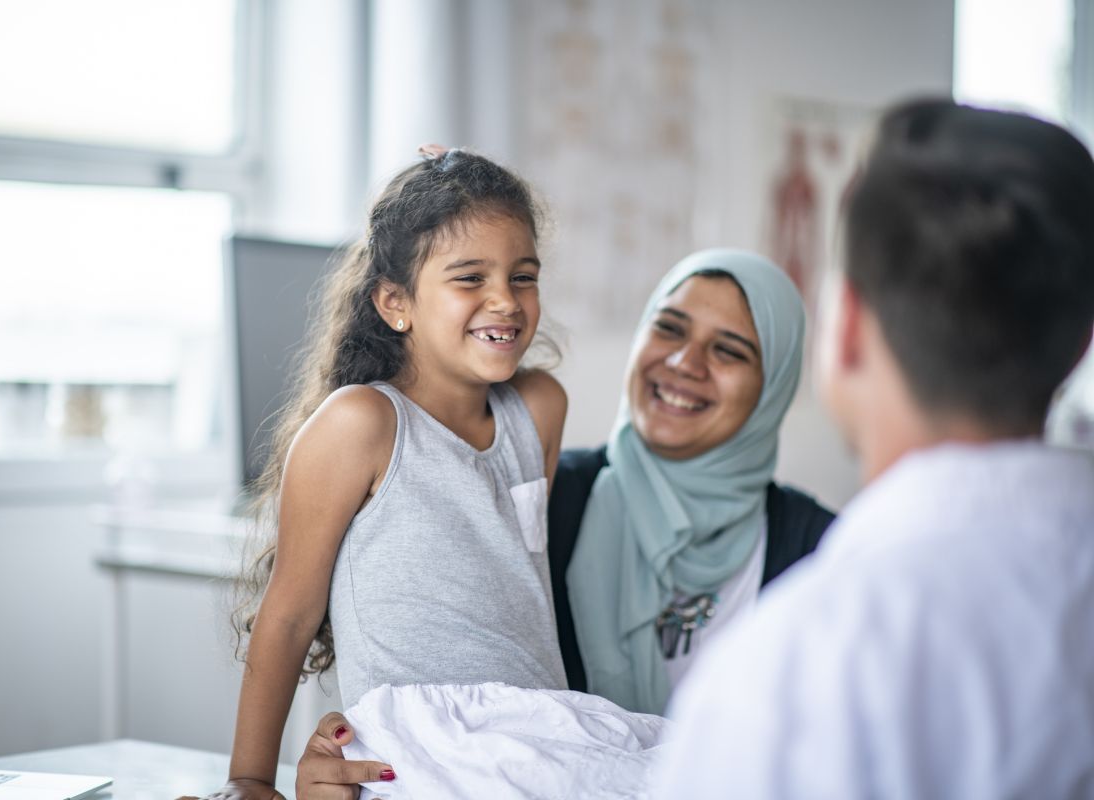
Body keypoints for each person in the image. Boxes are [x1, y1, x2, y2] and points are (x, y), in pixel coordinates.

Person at [188, 146, 670, 800]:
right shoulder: (360, 425)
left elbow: (506, 570)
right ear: (395, 303)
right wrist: (248, 779)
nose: (505, 300)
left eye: (523, 276)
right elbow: (289, 616)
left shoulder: (539, 409)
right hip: (425, 740)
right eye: (470, 278)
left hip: (538, 729)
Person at [655, 99, 1094, 798]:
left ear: (847, 326)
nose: (684, 364)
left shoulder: (785, 683)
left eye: (729, 348)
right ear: (1078, 347)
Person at [296, 248, 836, 798]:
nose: (684, 363)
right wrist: (347, 764)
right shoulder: (537, 496)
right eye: (668, 329)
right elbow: (439, 695)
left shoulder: (824, 558)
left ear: (775, 384)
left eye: (729, 350)